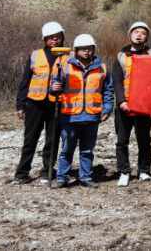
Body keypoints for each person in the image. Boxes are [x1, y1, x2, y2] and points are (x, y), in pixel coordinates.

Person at [51, 34, 113, 188]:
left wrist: (107, 108)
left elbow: (108, 90)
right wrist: (53, 88)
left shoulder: (102, 67)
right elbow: (53, 88)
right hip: (70, 116)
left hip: (92, 116)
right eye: (83, 48)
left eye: (89, 48)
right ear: (76, 50)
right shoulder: (65, 66)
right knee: (66, 150)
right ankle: (62, 178)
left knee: (87, 151)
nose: (87, 51)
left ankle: (85, 177)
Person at [12, 21, 66, 186]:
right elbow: (25, 81)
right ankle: (22, 174)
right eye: (51, 37)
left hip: (56, 104)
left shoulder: (68, 57)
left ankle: (46, 172)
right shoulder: (35, 55)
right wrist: (20, 105)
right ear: (45, 39)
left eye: (58, 37)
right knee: (30, 139)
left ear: (62, 38)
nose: (55, 40)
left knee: (52, 139)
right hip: (35, 104)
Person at [113, 21, 151, 187]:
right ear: (130, 35)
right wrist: (121, 101)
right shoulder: (121, 56)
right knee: (122, 140)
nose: (139, 35)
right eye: (136, 32)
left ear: (146, 37)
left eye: (142, 33)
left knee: (144, 140)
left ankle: (143, 170)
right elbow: (117, 81)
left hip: (143, 106)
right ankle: (124, 172)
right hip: (125, 107)